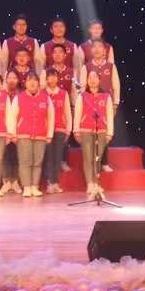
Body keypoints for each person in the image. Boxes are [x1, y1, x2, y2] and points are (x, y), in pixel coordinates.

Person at [79, 40, 122, 171]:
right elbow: (82, 88)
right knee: (91, 135)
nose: (97, 49)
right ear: (91, 50)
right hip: (90, 105)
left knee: (104, 133)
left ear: (104, 50)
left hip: (106, 105)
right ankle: (92, 165)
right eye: (94, 47)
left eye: (100, 47)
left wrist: (115, 103)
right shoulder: (86, 67)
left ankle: (104, 163)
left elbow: (116, 85)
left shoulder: (111, 66)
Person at [11, 72, 55, 198]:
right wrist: (13, 134)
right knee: (25, 161)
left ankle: (34, 187)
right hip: (23, 135)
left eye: (35, 80)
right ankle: (26, 187)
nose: (32, 82)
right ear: (25, 83)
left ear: (38, 83)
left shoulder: (46, 98)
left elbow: (51, 117)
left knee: (37, 162)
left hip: (41, 135)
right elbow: (12, 117)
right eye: (29, 80)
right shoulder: (19, 98)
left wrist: (49, 134)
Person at [74, 70, 115, 199]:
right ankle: (90, 184)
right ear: (87, 81)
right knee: (88, 158)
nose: (92, 80)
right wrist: (76, 130)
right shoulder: (82, 96)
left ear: (99, 80)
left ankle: (96, 183)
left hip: (101, 131)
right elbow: (77, 113)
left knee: (97, 158)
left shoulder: (106, 96)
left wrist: (109, 132)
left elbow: (109, 115)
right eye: (90, 78)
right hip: (85, 130)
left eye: (95, 77)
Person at [42, 68, 72, 193]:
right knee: (49, 157)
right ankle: (50, 182)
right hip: (46, 130)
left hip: (60, 129)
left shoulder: (63, 93)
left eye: (54, 76)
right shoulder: (42, 93)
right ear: (46, 79)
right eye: (50, 76)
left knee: (57, 157)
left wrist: (68, 130)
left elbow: (67, 112)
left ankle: (55, 183)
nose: (52, 78)